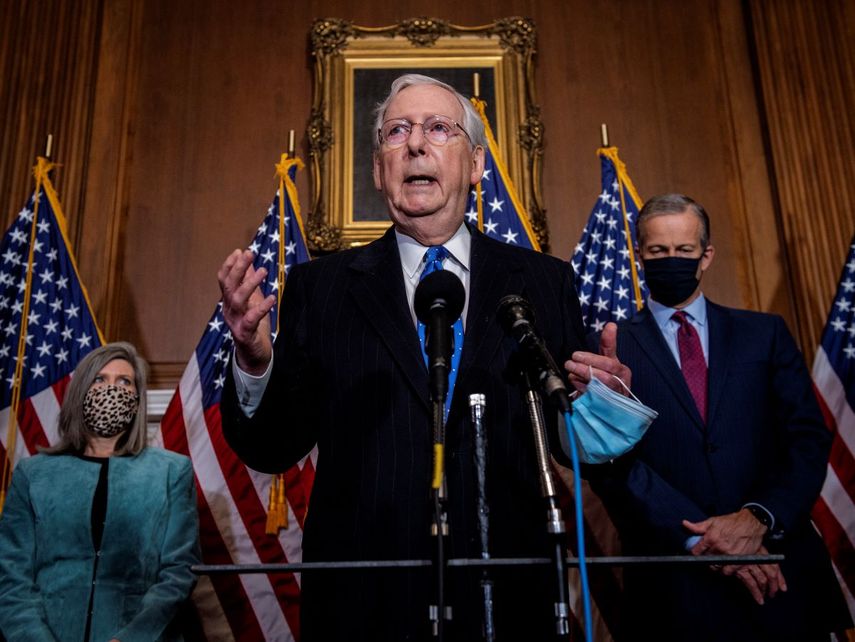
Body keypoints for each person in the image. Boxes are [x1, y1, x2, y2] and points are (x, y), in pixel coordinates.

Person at [218, 74, 631, 641]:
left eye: (438, 128)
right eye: (397, 132)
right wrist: (253, 359)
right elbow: (274, 446)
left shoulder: (542, 282)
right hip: (366, 603)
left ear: (477, 164)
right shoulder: (323, 288)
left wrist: (604, 400)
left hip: (507, 595)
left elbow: (570, 443)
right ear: (378, 170)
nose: (415, 144)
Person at [591, 193, 851, 641]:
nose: (671, 260)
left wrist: (757, 518)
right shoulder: (610, 349)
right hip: (676, 589)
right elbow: (613, 464)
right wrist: (702, 539)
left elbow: (808, 438)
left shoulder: (764, 333)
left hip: (780, 574)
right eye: (658, 251)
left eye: (684, 250)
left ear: (706, 255)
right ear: (639, 256)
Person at [0, 342, 200, 642]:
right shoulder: (33, 474)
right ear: (81, 391)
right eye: (100, 379)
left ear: (137, 400)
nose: (112, 389)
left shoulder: (171, 471)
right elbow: (11, 576)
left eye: (125, 382)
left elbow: (178, 572)